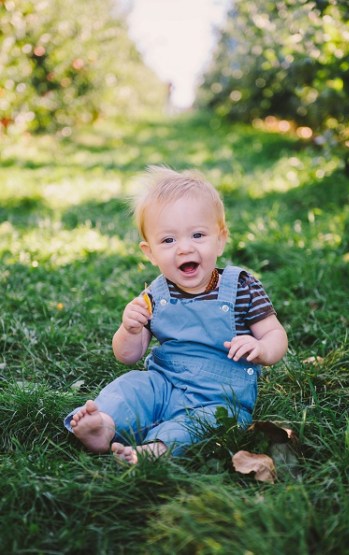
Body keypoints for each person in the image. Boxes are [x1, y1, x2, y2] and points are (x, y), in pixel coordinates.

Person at [64, 166, 288, 463]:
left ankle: (158, 448)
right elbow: (128, 356)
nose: (184, 248)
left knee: (204, 423)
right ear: (150, 252)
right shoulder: (154, 296)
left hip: (220, 397)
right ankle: (104, 424)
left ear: (220, 240)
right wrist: (129, 330)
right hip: (165, 382)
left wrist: (262, 348)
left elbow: (275, 335)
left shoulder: (241, 288)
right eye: (168, 240)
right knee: (132, 385)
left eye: (197, 235)